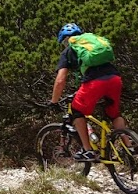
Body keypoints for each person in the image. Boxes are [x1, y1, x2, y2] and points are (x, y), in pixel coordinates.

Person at [50, 22, 126, 161]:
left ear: (65, 40)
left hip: (94, 83)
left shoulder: (69, 50)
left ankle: (88, 150)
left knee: (76, 111)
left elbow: (60, 80)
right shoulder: (91, 42)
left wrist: (54, 101)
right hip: (115, 78)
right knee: (114, 114)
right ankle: (130, 146)